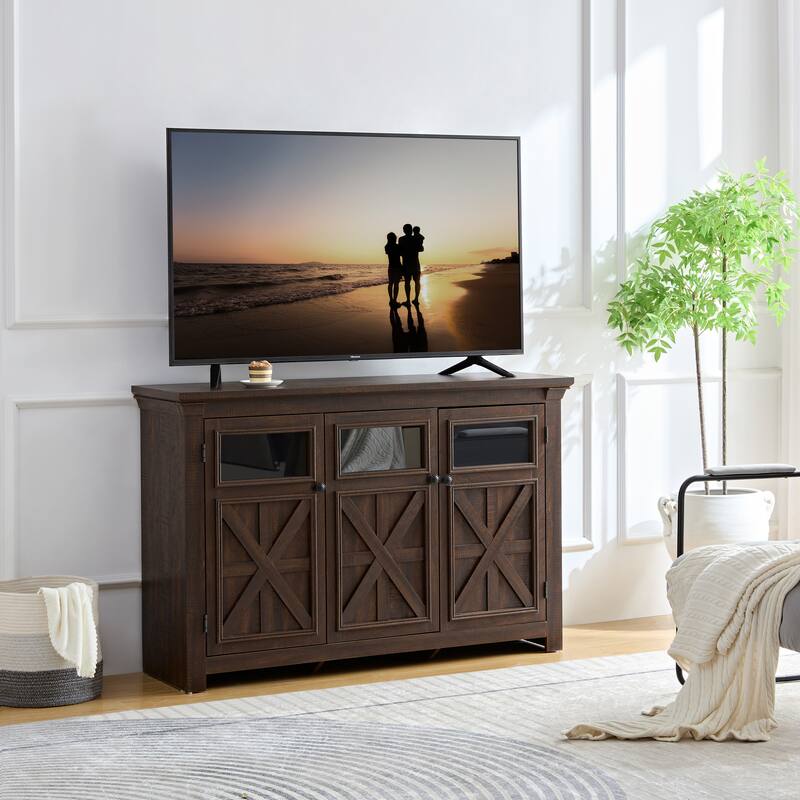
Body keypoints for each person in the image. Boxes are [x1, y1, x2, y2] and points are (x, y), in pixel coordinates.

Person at [398, 223, 423, 305]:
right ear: (411, 230)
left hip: (406, 264)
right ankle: (416, 299)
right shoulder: (415, 238)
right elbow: (421, 248)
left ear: (404, 230)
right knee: (417, 282)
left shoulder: (401, 239)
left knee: (407, 283)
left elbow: (400, 252)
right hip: (415, 263)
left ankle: (408, 300)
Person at [384, 232, 402, 305]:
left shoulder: (387, 246)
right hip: (397, 266)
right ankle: (394, 300)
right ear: (395, 238)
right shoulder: (397, 246)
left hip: (391, 266)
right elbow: (401, 254)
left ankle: (391, 300)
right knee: (396, 284)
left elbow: (388, 253)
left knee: (390, 283)